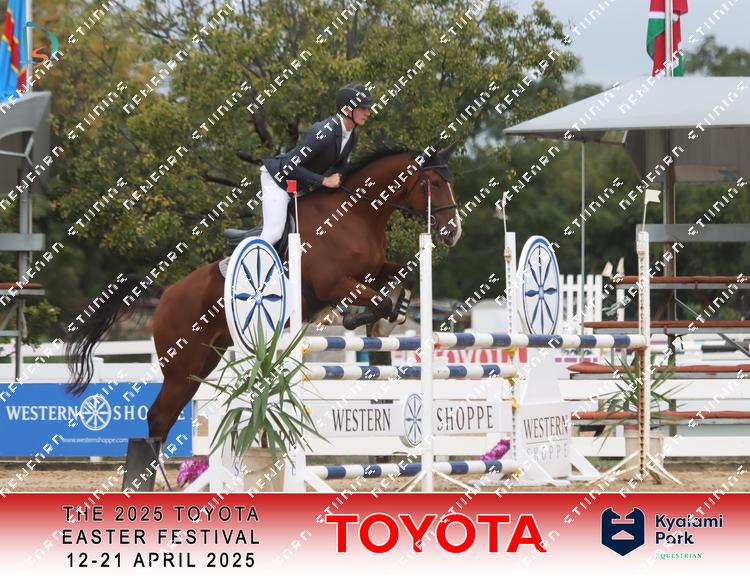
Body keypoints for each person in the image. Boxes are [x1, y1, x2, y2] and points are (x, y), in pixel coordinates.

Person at [259, 83, 374, 244]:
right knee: (274, 233)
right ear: (348, 110)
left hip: (299, 184)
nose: (368, 113)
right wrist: (324, 181)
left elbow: (338, 169)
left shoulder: (353, 134)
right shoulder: (323, 132)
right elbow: (288, 166)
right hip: (278, 180)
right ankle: (241, 258)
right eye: (363, 108)